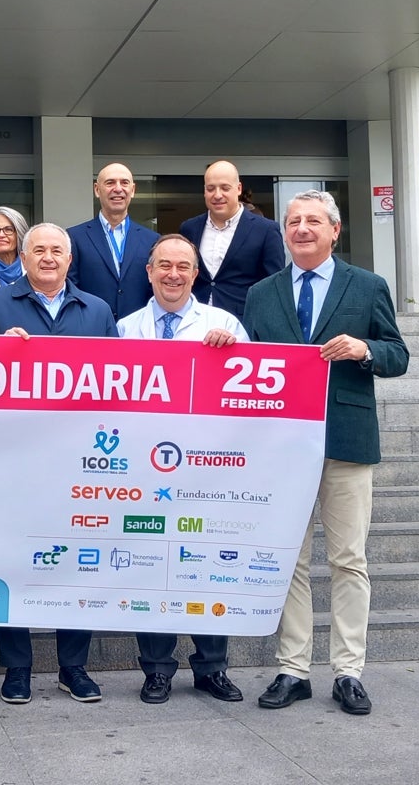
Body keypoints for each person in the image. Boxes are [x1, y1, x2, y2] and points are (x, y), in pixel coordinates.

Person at [243, 190, 409, 716]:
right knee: (289, 561)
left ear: (335, 230)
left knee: (348, 560)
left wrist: (365, 350)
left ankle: (348, 672)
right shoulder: (261, 293)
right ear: (284, 232)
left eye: (313, 221)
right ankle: (293, 670)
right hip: (283, 447)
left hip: (346, 439)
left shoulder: (368, 286)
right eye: (293, 222)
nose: (302, 229)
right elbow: (249, 363)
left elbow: (397, 354)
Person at [0, 223, 116, 705]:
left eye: (57, 250)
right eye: (39, 250)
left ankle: (73, 667)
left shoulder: (97, 310)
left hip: (80, 460)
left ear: (70, 260)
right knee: (9, 559)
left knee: (79, 562)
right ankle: (17, 668)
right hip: (12, 459)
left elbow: (119, 384)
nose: (48, 257)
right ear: (24, 257)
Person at [116, 234, 248, 705]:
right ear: (148, 272)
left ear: (196, 274)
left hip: (206, 471)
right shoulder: (125, 329)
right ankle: (156, 670)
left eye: (183, 266)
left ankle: (212, 668)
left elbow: (248, 397)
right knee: (152, 569)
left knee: (207, 567)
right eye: (164, 265)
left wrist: (232, 351)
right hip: (145, 471)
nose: (173, 274)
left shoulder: (223, 323)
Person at [179, 161, 283, 319]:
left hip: (243, 324)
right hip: (194, 321)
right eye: (210, 188)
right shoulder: (189, 228)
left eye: (225, 188)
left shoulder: (266, 230)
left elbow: (274, 285)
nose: (217, 195)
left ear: (239, 189)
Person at [67, 163, 159, 320]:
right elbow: (70, 288)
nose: (118, 189)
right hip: (92, 328)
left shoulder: (152, 240)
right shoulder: (74, 237)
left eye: (124, 183)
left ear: (133, 190)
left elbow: (156, 288)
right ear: (97, 190)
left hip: (138, 330)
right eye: (110, 183)